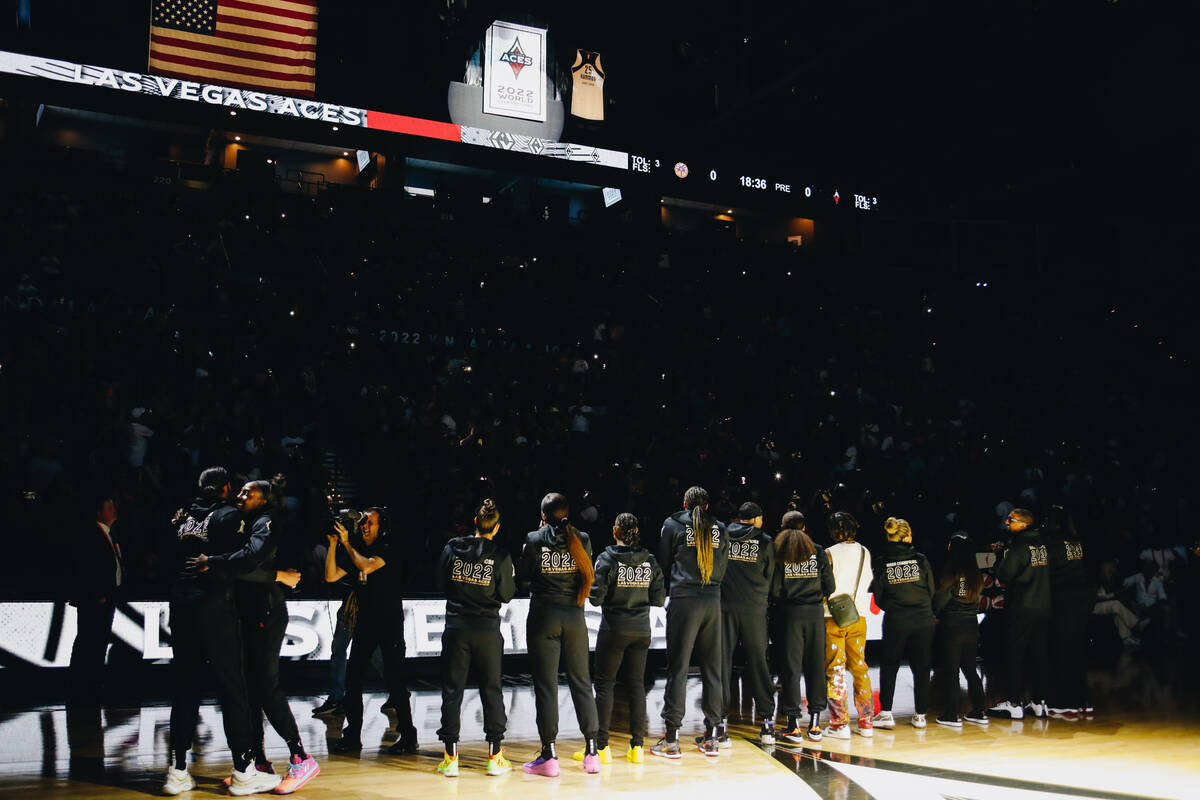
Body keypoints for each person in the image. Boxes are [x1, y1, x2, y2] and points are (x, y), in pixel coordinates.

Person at [163, 467, 281, 796]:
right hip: (213, 607)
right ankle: (244, 771)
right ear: (227, 488)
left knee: (185, 687)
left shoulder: (180, 516)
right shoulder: (230, 517)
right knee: (233, 688)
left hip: (179, 605)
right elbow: (248, 558)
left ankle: (177, 771)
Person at [200, 480, 318, 793]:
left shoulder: (267, 521)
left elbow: (248, 562)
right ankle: (258, 762)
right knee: (248, 689)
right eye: (239, 491)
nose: (240, 496)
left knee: (266, 686)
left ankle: (301, 757)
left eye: (247, 493)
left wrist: (215, 563)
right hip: (246, 612)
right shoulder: (242, 522)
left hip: (266, 611)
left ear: (264, 500)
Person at [517, 492, 601, 776]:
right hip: (575, 618)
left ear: (543, 516)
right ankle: (592, 752)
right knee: (582, 683)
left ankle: (549, 756)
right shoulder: (583, 539)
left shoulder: (534, 539)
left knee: (546, 686)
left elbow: (522, 577)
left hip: (544, 618)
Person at [433, 499, 517, 778]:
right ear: (497, 527)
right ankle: (494, 757)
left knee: (452, 690)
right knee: (491, 690)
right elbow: (506, 594)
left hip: (457, 629)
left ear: (475, 524)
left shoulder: (451, 548)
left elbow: (440, 584)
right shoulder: (502, 556)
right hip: (487, 631)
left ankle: (450, 758)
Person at [327, 508, 418, 754]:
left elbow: (366, 566)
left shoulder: (389, 546)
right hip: (365, 623)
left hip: (389, 623)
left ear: (382, 527)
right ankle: (352, 735)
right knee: (352, 679)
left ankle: (409, 735)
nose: (364, 525)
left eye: (370, 522)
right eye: (363, 521)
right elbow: (331, 575)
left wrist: (346, 543)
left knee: (396, 681)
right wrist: (334, 545)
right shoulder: (358, 548)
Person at [651, 485, 729, 759]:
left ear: (684, 504)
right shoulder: (720, 527)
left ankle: (671, 738)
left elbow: (662, 563)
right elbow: (725, 565)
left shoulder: (672, 525)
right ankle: (712, 737)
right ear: (707, 507)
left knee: (678, 670)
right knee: (713, 671)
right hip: (713, 601)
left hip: (684, 601)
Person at [581, 512, 665, 764]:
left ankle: (601, 748)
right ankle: (637, 747)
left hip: (614, 630)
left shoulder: (606, 559)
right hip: (641, 630)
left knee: (605, 686)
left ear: (615, 531)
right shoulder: (650, 560)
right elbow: (659, 599)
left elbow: (595, 598)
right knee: (637, 685)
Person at [770, 510, 835, 743]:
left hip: (789, 616)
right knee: (816, 667)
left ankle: (793, 726)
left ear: (784, 528)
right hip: (815, 615)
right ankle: (816, 725)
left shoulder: (779, 552)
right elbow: (830, 586)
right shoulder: (817, 551)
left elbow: (775, 589)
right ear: (805, 527)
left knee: (790, 669)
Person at [719, 502, 776, 745]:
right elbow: (771, 576)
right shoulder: (765, 541)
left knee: (721, 664)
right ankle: (767, 724)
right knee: (759, 664)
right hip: (754, 609)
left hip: (725, 608)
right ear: (756, 520)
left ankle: (719, 723)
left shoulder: (723, 536)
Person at [870, 517, 935, 730]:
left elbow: (878, 597)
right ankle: (920, 716)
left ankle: (886, 713)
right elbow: (931, 590)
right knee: (922, 667)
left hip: (896, 620)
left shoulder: (882, 562)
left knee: (889, 665)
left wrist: (895, 606)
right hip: (923, 618)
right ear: (907, 536)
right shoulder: (921, 560)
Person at [988, 508, 1051, 719]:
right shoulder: (1041, 545)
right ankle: (1039, 703)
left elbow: (1004, 574)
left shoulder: (1019, 545)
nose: (1007, 523)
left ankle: (1014, 703)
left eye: (1011, 520)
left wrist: (999, 557)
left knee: (1015, 655)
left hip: (1022, 607)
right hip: (1043, 607)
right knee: (1039, 655)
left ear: (1023, 524)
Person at [822, 511, 874, 739]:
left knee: (835, 669)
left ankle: (839, 723)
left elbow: (824, 584)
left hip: (832, 616)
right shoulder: (865, 551)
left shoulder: (829, 553)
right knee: (860, 667)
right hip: (858, 614)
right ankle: (866, 721)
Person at [68, 492, 124, 702]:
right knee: (89, 642)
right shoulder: (91, 534)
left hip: (106, 598)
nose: (114, 510)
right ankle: (83, 686)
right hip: (96, 600)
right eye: (109, 507)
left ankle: (91, 684)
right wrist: (96, 594)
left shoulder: (110, 533)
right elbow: (85, 568)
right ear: (99, 512)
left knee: (98, 642)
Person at [932, 534, 988, 727]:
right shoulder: (976, 573)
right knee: (971, 669)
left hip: (952, 625)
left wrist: (935, 612)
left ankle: (952, 714)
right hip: (972, 625)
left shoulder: (952, 571)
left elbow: (941, 598)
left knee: (952, 671)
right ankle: (980, 711)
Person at [1042, 506, 1092, 719]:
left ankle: (1064, 704)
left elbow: (1048, 571)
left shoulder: (1052, 544)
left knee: (1062, 653)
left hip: (1062, 602)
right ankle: (1083, 702)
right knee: (1077, 652)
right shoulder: (1077, 543)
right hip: (1080, 603)